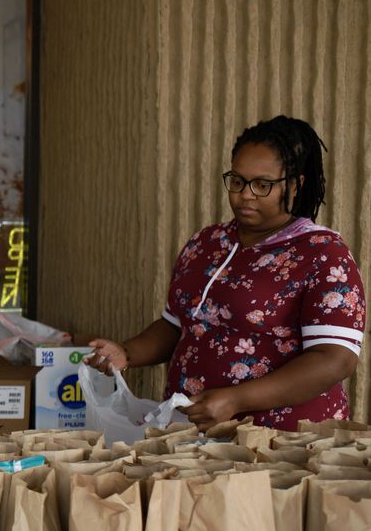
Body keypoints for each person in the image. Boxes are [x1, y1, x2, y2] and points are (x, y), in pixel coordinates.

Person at [86, 116, 364, 431]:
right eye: (237, 181)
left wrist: (237, 399)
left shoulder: (322, 253)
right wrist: (127, 352)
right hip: (193, 432)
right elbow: (175, 325)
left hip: (282, 441)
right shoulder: (207, 243)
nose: (245, 195)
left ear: (296, 184)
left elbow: (335, 359)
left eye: (262, 185)